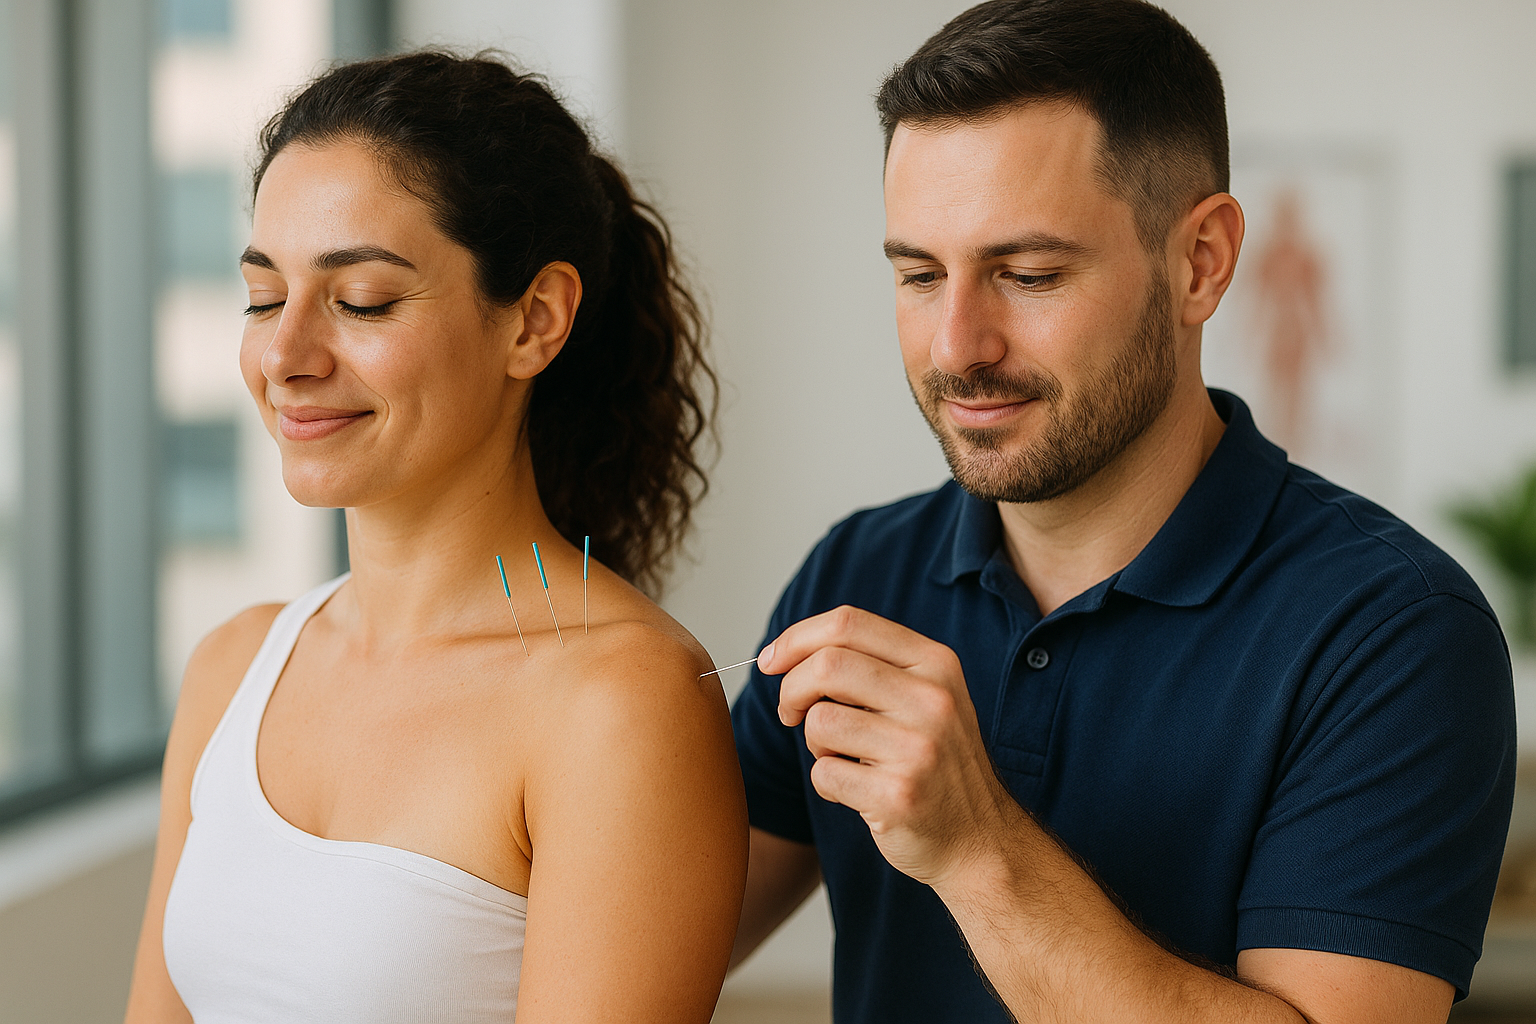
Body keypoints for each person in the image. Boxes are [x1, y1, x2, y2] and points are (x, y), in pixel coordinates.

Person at [729, 3, 1516, 1023]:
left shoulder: (1392, 631)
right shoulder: (856, 573)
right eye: (920, 275)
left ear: (1202, 262)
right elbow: (619, 945)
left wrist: (979, 848)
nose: (957, 345)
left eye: (1030, 274)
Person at [125, 52, 746, 1024]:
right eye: (262, 296)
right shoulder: (234, 668)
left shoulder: (622, 703)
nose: (285, 355)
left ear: (534, 322)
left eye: (361, 300)